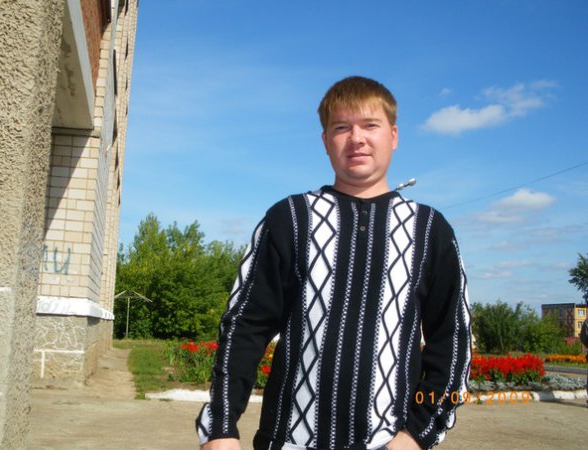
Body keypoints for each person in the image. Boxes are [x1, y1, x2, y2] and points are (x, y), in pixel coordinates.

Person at [196, 76, 472, 450]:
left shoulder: (430, 230)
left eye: (370, 125)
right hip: (289, 442)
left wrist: (418, 435)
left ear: (393, 136)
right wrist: (220, 426)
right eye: (342, 127)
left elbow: (452, 340)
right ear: (326, 141)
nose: (356, 138)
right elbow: (245, 326)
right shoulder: (290, 218)